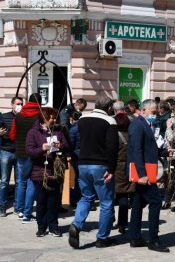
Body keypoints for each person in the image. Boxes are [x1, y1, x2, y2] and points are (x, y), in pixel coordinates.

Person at [68, 96, 119, 249]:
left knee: (86, 197)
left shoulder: (82, 119)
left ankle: (76, 225)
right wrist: (112, 169)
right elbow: (112, 148)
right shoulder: (110, 121)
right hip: (101, 165)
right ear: (109, 107)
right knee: (106, 202)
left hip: (83, 163)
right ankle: (102, 238)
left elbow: (74, 137)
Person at [127, 99, 170, 253]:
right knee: (156, 201)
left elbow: (149, 148)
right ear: (143, 110)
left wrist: (166, 152)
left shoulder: (146, 123)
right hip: (143, 171)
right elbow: (137, 150)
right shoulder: (138, 125)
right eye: (153, 112)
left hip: (146, 169)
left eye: (157, 111)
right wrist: (142, 174)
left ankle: (135, 237)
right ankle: (153, 240)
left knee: (138, 202)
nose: (156, 114)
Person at [26, 107, 69, 237]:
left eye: (55, 117)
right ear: (44, 118)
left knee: (53, 200)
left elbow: (68, 146)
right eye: (51, 118)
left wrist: (60, 146)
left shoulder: (58, 131)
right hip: (40, 170)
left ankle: (53, 226)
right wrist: (42, 148)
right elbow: (30, 151)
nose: (54, 120)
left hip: (55, 170)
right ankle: (41, 227)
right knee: (41, 200)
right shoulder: (33, 132)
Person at [9, 93, 42, 222]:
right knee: (32, 183)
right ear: (39, 102)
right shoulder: (39, 115)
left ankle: (20, 209)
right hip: (34, 153)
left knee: (21, 181)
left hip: (21, 152)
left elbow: (12, 136)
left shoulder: (18, 116)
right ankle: (28, 212)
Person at [0, 97, 26, 218]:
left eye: (21, 104)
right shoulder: (4, 117)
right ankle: (2, 207)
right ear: (12, 105)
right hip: (6, 151)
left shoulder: (24, 117)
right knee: (4, 181)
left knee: (19, 181)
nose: (20, 106)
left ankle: (17, 207)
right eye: (17, 104)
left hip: (19, 152)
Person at [113, 112, 135, 235]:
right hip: (129, 167)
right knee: (126, 196)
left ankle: (114, 220)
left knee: (115, 195)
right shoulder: (131, 135)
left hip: (117, 168)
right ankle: (123, 223)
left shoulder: (114, 136)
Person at [68, 110, 82, 208]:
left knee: (78, 179)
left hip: (76, 155)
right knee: (81, 179)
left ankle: (75, 200)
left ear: (72, 119)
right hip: (84, 155)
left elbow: (71, 144)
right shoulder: (85, 127)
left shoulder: (73, 129)